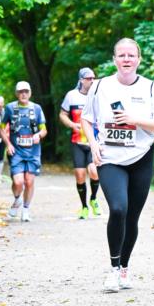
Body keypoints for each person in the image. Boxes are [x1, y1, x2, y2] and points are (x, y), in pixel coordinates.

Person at [81, 38, 154, 292]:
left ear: (139, 59)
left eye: (131, 55)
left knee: (132, 217)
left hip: (142, 157)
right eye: (122, 55)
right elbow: (87, 119)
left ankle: (125, 269)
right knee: (118, 209)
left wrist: (134, 119)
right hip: (110, 158)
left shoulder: (151, 88)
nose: (126, 59)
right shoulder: (100, 87)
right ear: (114, 60)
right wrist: (93, 144)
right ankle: (113, 270)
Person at [1, 81, 47, 223]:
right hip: (17, 152)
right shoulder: (9, 108)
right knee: (18, 181)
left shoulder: (37, 108)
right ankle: (17, 199)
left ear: (30, 93)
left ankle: (26, 210)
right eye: (21, 92)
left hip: (33, 152)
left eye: (26, 91)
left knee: (29, 181)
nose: (24, 94)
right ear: (16, 93)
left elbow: (44, 129)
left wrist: (38, 135)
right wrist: (8, 144)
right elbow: (2, 128)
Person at [60, 67, 101, 219]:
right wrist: (72, 124)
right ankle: (84, 206)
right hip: (77, 141)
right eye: (88, 78)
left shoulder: (97, 95)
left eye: (93, 78)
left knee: (94, 171)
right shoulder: (72, 96)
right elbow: (62, 114)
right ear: (81, 80)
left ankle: (94, 199)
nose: (91, 81)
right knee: (80, 175)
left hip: (93, 142)